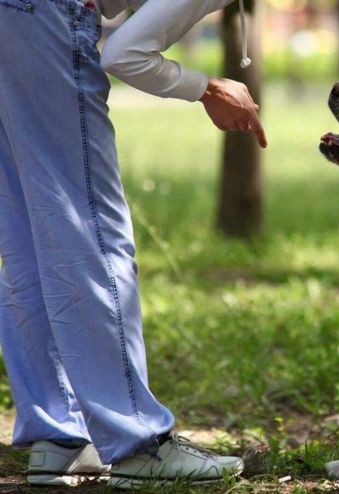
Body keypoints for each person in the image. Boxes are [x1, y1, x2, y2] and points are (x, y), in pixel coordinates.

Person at [0, 0, 266, 488]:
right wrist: (206, 87)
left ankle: (57, 437)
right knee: (92, 233)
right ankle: (137, 442)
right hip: (47, 18)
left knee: (27, 240)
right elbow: (124, 53)